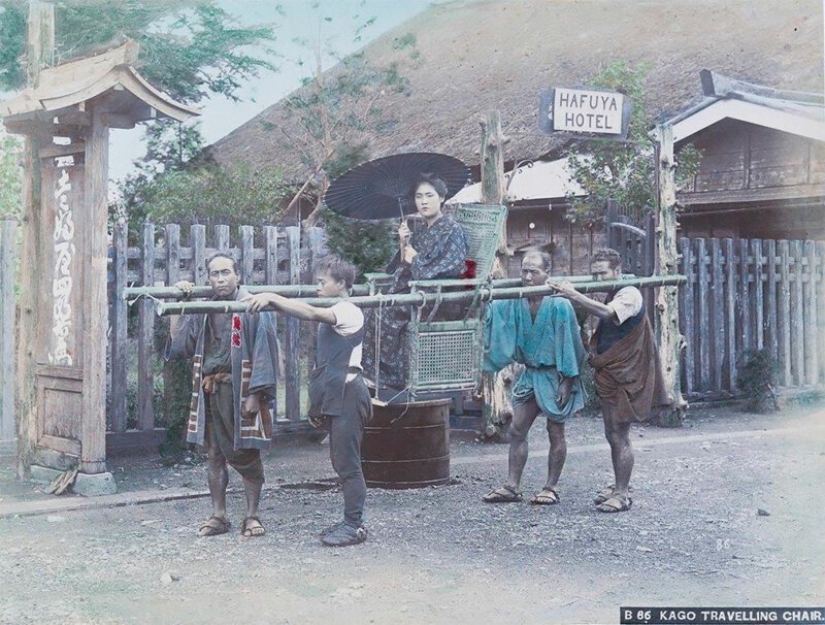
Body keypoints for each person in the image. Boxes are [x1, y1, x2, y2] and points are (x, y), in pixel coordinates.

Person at [246, 255, 372, 547]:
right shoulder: (335, 307)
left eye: (322, 282)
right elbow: (326, 366)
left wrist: (273, 298)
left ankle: (354, 525)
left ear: (341, 284)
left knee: (348, 464)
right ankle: (350, 520)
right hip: (337, 394)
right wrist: (317, 405)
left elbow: (312, 314)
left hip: (350, 394)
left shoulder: (348, 310)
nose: (317, 287)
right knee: (340, 461)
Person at [167, 252, 279, 537]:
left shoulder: (253, 305)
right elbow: (180, 346)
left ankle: (252, 515)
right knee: (214, 454)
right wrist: (181, 304)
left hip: (242, 390)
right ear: (208, 278)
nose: (220, 279)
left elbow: (265, 351)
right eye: (215, 274)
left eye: (226, 272)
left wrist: (257, 393)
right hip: (211, 391)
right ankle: (219, 514)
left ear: (237, 275)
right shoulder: (205, 309)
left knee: (246, 451)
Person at [550, 248, 668, 513]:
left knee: (620, 434)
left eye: (603, 273)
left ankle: (623, 493)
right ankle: (617, 486)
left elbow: (606, 313)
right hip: (610, 371)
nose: (598, 278)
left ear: (617, 270)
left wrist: (573, 294)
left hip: (626, 373)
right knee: (611, 433)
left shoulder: (629, 293)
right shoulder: (613, 289)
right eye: (595, 273)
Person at [481, 251, 585, 505]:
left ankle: (551, 486)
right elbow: (493, 312)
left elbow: (572, 344)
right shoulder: (516, 299)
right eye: (524, 270)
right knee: (517, 429)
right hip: (530, 374)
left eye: (533, 272)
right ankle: (512, 485)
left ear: (547, 273)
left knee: (555, 430)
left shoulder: (559, 304)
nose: (527, 276)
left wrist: (567, 380)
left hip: (555, 374)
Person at [362, 172, 468, 391]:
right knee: (371, 308)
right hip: (413, 291)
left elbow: (451, 268)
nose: (424, 201)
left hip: (435, 297)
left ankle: (393, 377)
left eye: (429, 195)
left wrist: (415, 260)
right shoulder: (420, 232)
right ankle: (378, 375)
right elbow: (402, 267)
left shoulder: (453, 230)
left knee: (383, 311)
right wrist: (404, 243)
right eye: (419, 196)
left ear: (442, 198)